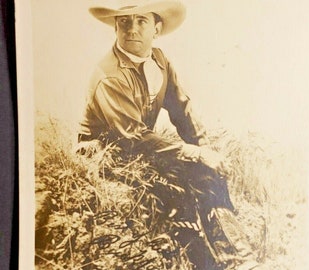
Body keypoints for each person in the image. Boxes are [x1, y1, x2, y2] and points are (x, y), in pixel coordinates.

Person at [77, 1, 254, 269]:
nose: (132, 29)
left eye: (141, 21)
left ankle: (236, 258)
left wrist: (204, 147)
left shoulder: (159, 61)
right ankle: (212, 262)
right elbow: (133, 136)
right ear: (115, 28)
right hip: (105, 154)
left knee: (208, 173)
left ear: (156, 29)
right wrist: (196, 154)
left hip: (140, 148)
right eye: (124, 22)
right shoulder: (109, 76)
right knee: (177, 193)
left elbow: (182, 110)